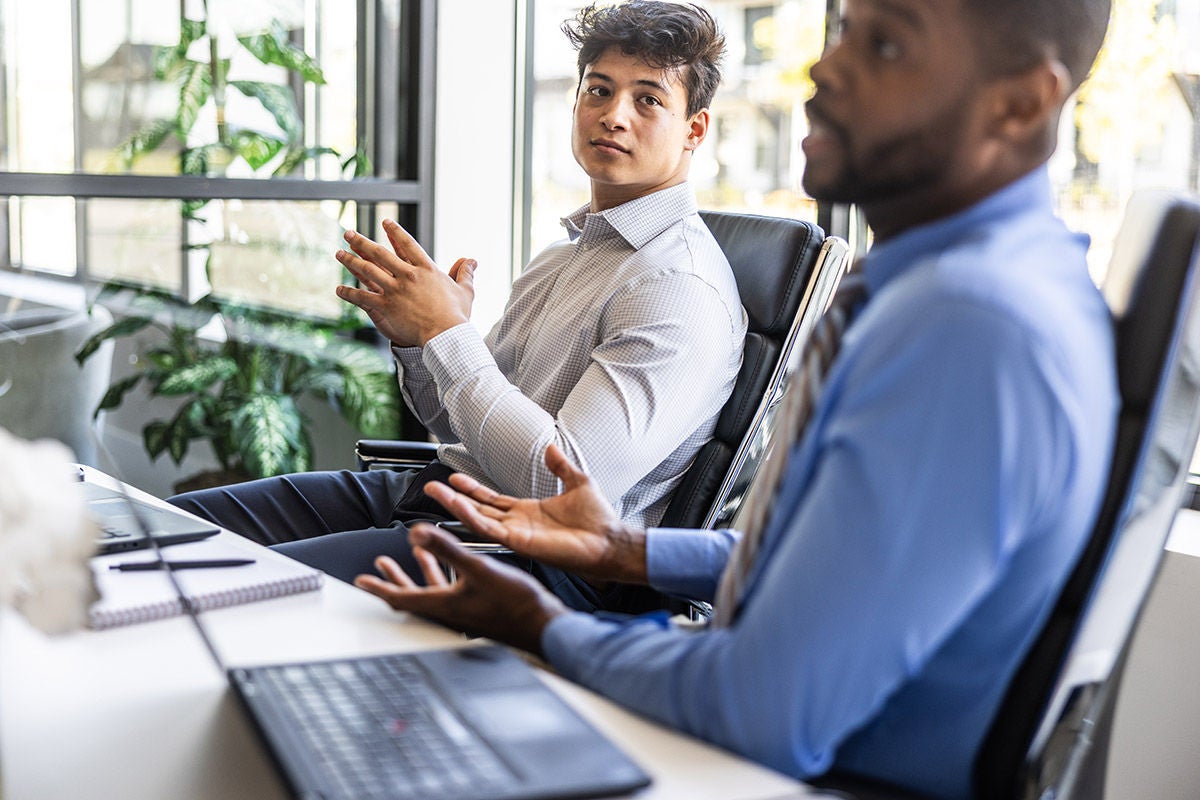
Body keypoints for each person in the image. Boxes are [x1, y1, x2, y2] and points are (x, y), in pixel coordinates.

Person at [352, 0, 1118, 797]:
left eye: (885, 45)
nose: (824, 68)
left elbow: (764, 707)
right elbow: (817, 565)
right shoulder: (938, 291)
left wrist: (548, 628)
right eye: (845, 31)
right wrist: (626, 550)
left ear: (1020, 102)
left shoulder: (970, 330)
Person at [170, 1, 746, 614]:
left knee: (218, 592)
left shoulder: (678, 286)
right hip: (443, 495)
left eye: (648, 100)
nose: (613, 116)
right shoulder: (565, 254)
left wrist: (449, 332)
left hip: (521, 556)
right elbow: (457, 422)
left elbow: (561, 484)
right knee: (162, 533)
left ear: (695, 128)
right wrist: (421, 344)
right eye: (598, 90)